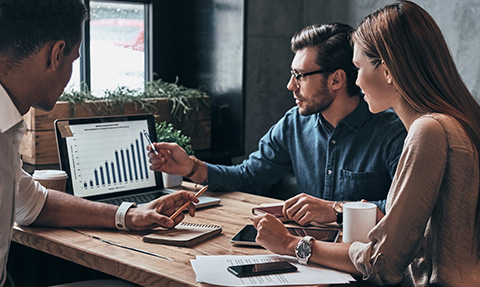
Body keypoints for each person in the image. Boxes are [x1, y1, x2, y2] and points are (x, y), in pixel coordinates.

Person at [253, 1, 480, 285]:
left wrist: (291, 244)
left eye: (358, 68)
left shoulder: (429, 131)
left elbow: (383, 263)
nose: (356, 81)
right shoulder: (456, 123)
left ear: (387, 70)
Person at [0, 1, 199, 285]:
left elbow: (33, 204)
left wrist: (130, 215)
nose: (70, 77)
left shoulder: (7, 126)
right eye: (73, 60)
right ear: (56, 54)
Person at [148, 23, 406, 225]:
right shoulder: (293, 124)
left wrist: (336, 210)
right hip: (303, 255)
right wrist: (191, 167)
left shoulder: (392, 132)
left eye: (300, 76)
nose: (290, 85)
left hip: (363, 264)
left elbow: (403, 211)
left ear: (336, 80)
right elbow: (249, 177)